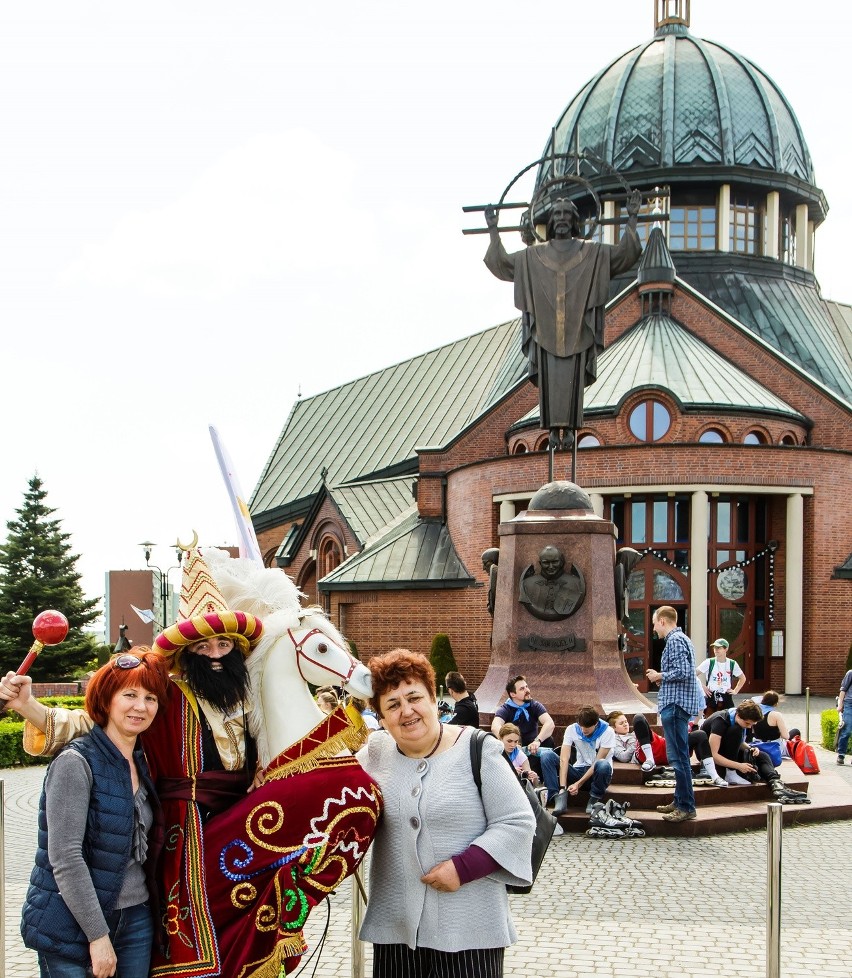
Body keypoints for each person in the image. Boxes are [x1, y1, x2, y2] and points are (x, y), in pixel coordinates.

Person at [357, 649, 534, 978]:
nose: (407, 711)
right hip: (396, 932)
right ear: (381, 718)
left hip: (469, 931)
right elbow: (328, 786)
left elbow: (517, 823)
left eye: (414, 697)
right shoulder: (376, 752)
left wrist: (463, 868)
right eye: (393, 705)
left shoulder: (477, 748)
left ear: (434, 699)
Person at [21, 649, 170, 978]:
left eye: (150, 698)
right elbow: (66, 857)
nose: (140, 707)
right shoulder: (75, 763)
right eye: (129, 695)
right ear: (106, 698)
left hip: (135, 921)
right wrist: (98, 936)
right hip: (72, 923)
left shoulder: (145, 762)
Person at [484, 191, 641, 440]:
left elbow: (624, 255)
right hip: (546, 332)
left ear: (575, 220)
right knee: (550, 377)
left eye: (567, 214)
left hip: (578, 328)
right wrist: (493, 230)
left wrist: (631, 217)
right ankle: (554, 432)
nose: (561, 218)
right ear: (550, 219)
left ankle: (568, 431)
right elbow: (502, 263)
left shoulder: (592, 253)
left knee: (572, 379)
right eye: (557, 214)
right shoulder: (532, 257)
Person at [646, 605, 706, 823]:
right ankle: (680, 800)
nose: (654, 629)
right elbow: (683, 672)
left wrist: (659, 675)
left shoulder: (675, 640)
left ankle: (686, 806)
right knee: (678, 757)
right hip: (677, 703)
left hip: (675, 704)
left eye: (654, 623)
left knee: (679, 758)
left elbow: (684, 672)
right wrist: (663, 678)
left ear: (663, 621)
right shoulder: (682, 639)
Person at [701, 700, 809, 802]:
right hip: (708, 754)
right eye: (748, 724)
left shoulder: (738, 718)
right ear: (738, 716)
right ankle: (730, 773)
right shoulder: (721, 721)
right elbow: (713, 755)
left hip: (726, 748)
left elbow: (736, 742)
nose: (749, 727)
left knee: (762, 755)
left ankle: (777, 785)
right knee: (737, 730)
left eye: (752, 724)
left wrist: (750, 749)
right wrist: (738, 766)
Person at [606, 710, 727, 786]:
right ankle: (650, 760)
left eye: (626, 721)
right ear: (613, 728)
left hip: (666, 748)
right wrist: (636, 739)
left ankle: (714, 776)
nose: (626, 724)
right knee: (638, 717)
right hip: (644, 753)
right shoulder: (614, 739)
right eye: (621, 723)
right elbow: (623, 757)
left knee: (700, 734)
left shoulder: (634, 732)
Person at [490, 675, 561, 800]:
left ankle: (547, 785)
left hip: (533, 749)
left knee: (548, 741)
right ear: (513, 694)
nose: (527, 690)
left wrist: (537, 741)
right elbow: (495, 726)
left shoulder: (534, 705)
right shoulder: (505, 708)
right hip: (515, 750)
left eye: (527, 686)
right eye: (522, 689)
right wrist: (509, 742)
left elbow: (549, 723)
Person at [554, 706, 615, 813]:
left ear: (595, 724)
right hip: (579, 770)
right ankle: (558, 797)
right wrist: (563, 787)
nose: (583, 730)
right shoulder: (572, 729)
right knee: (548, 756)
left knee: (603, 764)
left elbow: (597, 761)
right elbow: (564, 758)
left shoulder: (608, 731)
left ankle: (594, 799)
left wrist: (578, 784)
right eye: (581, 726)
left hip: (598, 774)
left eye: (587, 727)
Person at [518, 544, 585, 620]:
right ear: (540, 563)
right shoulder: (527, 584)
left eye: (555, 562)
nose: (551, 566)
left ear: (561, 562)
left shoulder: (575, 583)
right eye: (546, 563)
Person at [696, 638, 745, 711]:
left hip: (726, 696)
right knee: (710, 719)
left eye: (719, 648)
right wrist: (703, 687)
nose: (716, 650)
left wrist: (735, 690)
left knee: (727, 718)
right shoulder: (709, 662)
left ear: (726, 649)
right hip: (711, 696)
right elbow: (693, 674)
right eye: (715, 648)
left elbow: (742, 678)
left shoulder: (732, 663)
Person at [837, 667, 852, 764]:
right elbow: (843, 690)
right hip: (850, 704)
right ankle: (841, 755)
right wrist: (840, 704)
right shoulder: (850, 673)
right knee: (847, 730)